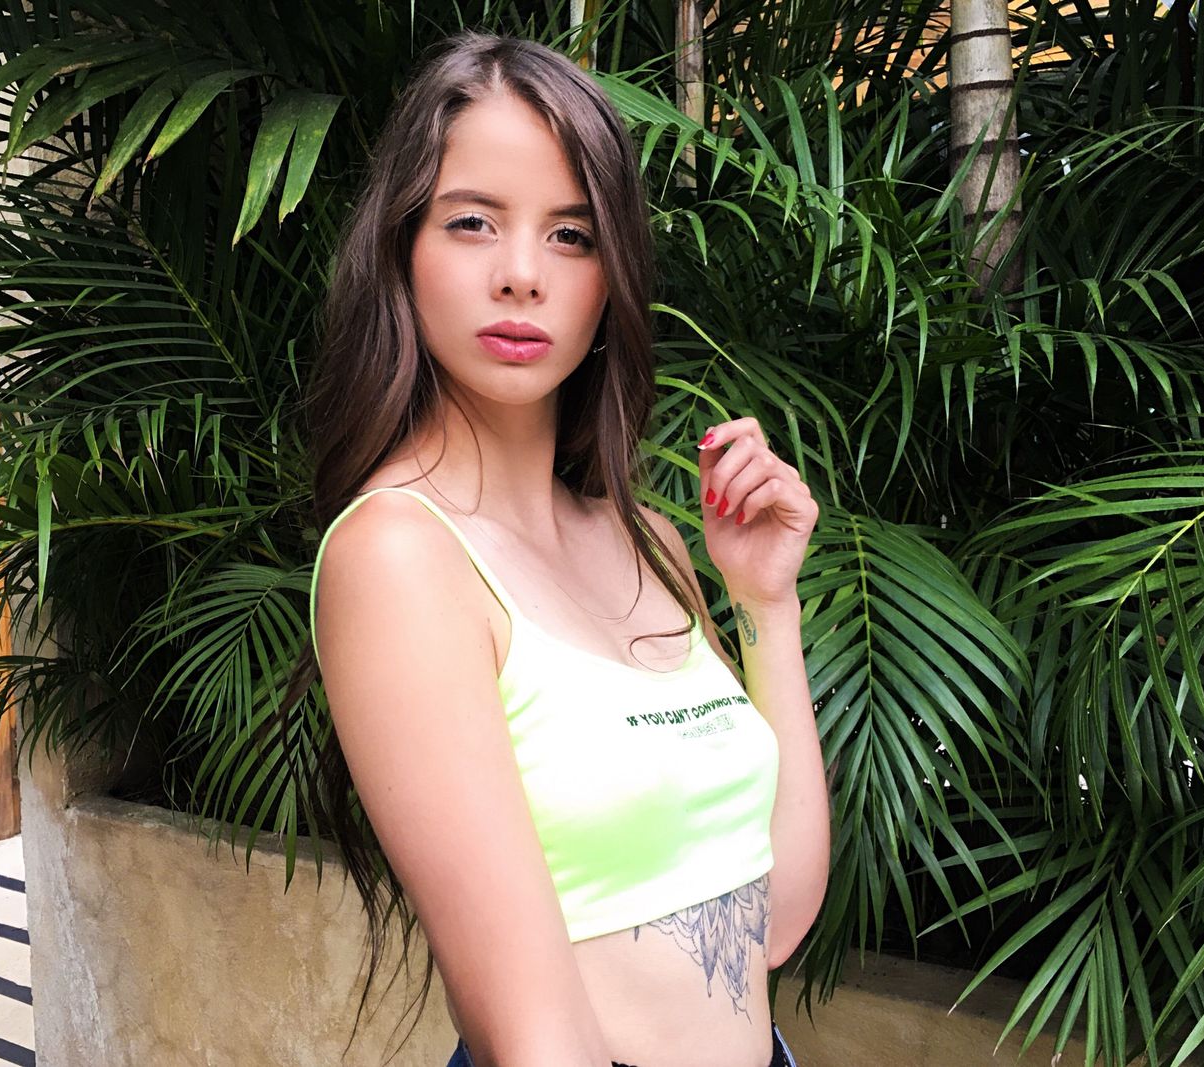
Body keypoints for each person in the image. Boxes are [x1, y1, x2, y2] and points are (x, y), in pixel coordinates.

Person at [302, 28, 829, 1067]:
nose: (520, 275)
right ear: (403, 251)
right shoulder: (400, 557)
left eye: (572, 235)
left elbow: (773, 918)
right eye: (472, 222)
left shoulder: (651, 542)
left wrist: (768, 607)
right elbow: (535, 1038)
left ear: (610, 278)